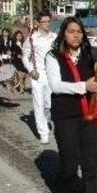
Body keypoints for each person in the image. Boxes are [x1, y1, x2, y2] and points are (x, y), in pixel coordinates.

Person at [45, 17, 97, 193]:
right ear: (63, 34)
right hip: (66, 117)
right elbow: (55, 85)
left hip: (89, 117)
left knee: (90, 167)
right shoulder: (53, 56)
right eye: (71, 31)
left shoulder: (89, 53)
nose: (76, 35)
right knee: (70, 166)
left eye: (79, 31)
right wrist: (84, 86)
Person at [23, 12, 56, 144]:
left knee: (49, 104)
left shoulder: (55, 37)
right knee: (39, 103)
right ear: (38, 23)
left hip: (52, 74)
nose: (47, 24)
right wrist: (31, 70)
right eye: (44, 21)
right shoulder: (32, 38)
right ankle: (43, 133)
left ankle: (46, 119)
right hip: (38, 74)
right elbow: (25, 56)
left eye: (49, 21)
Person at [10, 29, 28, 94]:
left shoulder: (24, 43)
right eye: (18, 36)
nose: (19, 37)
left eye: (20, 36)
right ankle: (21, 89)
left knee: (24, 76)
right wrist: (16, 55)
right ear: (15, 37)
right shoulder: (14, 44)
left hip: (24, 61)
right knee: (20, 75)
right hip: (17, 61)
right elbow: (11, 52)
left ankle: (20, 84)